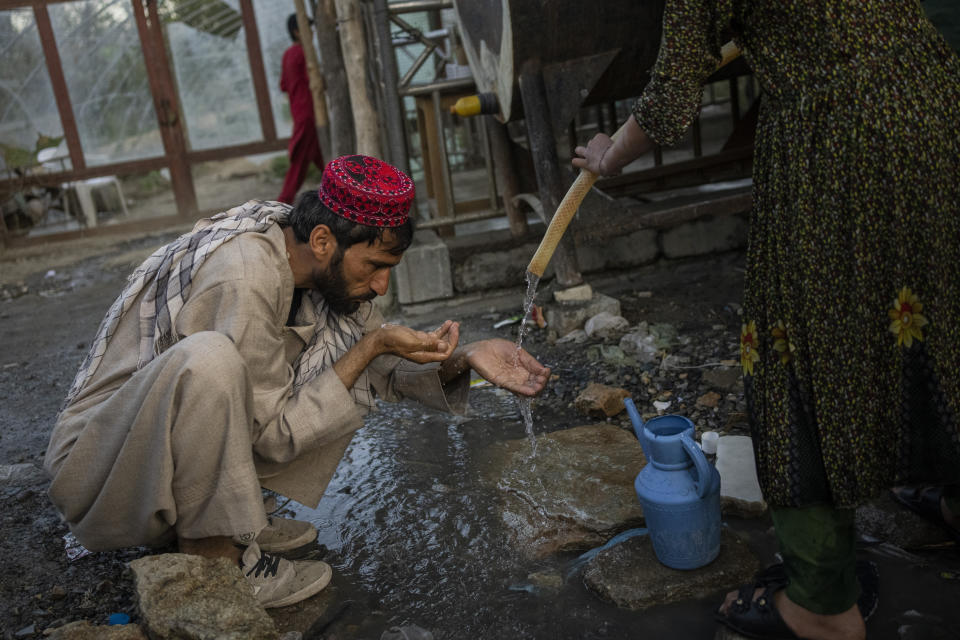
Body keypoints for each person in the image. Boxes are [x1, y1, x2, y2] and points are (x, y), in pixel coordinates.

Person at [573, 2, 960, 640]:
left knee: (789, 356)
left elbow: (672, 94)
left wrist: (610, 154)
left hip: (839, 141)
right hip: (933, 99)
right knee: (942, 313)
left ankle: (822, 605)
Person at [44, 154, 550, 609]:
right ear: (324, 239)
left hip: (147, 457)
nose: (381, 285)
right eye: (375, 266)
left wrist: (467, 356)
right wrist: (371, 347)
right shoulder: (244, 276)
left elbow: (381, 373)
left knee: (330, 363)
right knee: (212, 360)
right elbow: (272, 432)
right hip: (101, 474)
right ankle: (214, 554)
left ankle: (231, 524)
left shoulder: (313, 267)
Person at [277, 13, 324, 205]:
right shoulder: (303, 53)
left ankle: (342, 189)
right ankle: (282, 202)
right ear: (297, 32)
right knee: (300, 163)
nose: (312, 33)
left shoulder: (288, 54)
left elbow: (283, 85)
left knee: (317, 157)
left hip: (300, 112)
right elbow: (314, 81)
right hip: (309, 114)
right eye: (308, 29)